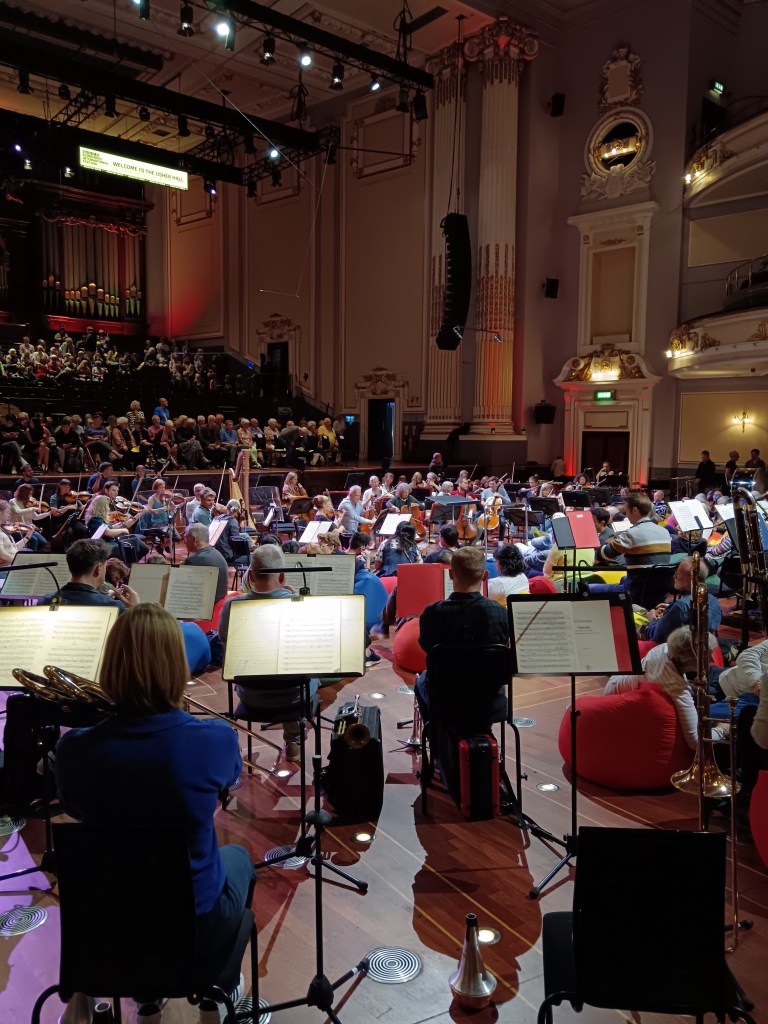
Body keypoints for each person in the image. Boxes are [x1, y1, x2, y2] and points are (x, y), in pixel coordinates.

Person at [55, 604, 253, 1019]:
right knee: (238, 859)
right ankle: (219, 989)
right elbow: (228, 782)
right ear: (175, 665)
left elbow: (73, 807)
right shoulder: (214, 738)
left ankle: (147, 998)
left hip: (108, 923)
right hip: (193, 923)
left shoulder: (74, 748)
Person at [218, 546, 316, 762]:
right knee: (306, 675)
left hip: (250, 696)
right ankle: (294, 740)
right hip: (293, 698)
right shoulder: (301, 605)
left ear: (251, 576)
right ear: (282, 576)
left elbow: (226, 648)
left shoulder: (231, 606)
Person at [416, 547, 509, 720]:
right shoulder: (501, 612)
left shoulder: (432, 613)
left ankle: (434, 734)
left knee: (421, 680)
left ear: (451, 574)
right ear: (485, 575)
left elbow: (426, 648)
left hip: (445, 699)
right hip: (490, 702)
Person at [605, 626, 726, 751]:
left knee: (715, 674)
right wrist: (721, 730)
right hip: (622, 706)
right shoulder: (675, 687)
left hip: (617, 682)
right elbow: (695, 742)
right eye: (706, 656)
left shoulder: (666, 648)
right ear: (687, 658)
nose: (712, 659)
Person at [587, 492, 671, 606]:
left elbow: (602, 555)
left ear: (635, 510)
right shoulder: (665, 532)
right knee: (623, 578)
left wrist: (612, 540)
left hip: (636, 593)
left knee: (589, 588)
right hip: (659, 592)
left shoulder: (631, 534)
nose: (626, 516)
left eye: (627, 512)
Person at [642, 557, 722, 643]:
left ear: (690, 579)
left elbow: (656, 636)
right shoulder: (713, 600)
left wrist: (652, 619)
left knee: (633, 614)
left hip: (673, 650)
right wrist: (671, 610)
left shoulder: (680, 607)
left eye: (677, 574)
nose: (674, 576)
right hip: (698, 646)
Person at [44, 538, 139, 610]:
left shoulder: (47, 601)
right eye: (105, 567)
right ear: (98, 568)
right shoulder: (114, 607)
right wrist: (134, 609)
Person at [184, 523, 230, 604]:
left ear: (194, 539)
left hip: (204, 610)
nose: (184, 541)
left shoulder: (193, 561)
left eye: (186, 537)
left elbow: (186, 593)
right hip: (220, 606)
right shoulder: (217, 554)